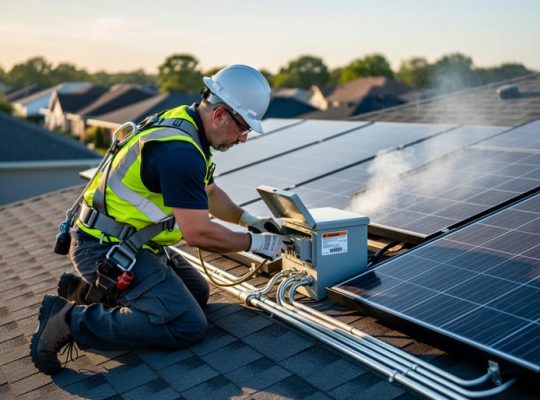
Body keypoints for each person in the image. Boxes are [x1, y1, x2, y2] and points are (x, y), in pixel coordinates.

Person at [30, 64, 288, 375]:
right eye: (243, 128)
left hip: (130, 243)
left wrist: (248, 220)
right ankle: (68, 320)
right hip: (103, 249)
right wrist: (257, 243)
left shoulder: (187, 125)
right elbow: (198, 234)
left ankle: (91, 295)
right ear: (220, 115)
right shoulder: (179, 152)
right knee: (186, 323)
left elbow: (208, 192)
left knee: (197, 294)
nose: (243, 139)